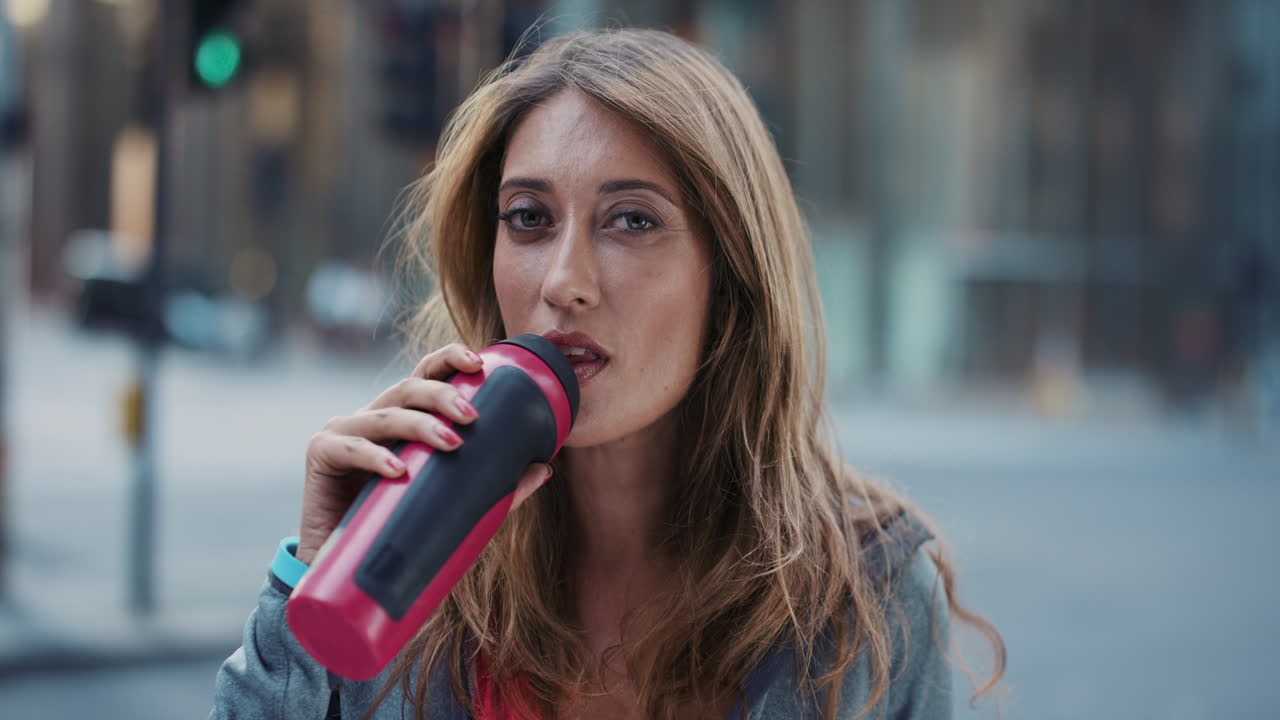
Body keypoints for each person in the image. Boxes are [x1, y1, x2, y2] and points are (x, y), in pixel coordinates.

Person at [210, 27, 1005, 720]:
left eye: (632, 220)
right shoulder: (408, 567)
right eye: (529, 218)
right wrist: (311, 578)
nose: (563, 281)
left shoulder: (870, 595)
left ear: (728, 274)